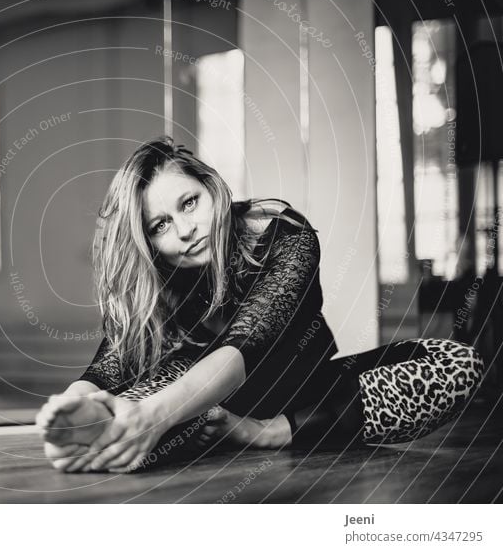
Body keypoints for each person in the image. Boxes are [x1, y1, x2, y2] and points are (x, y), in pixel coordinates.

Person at [35, 137, 485, 473]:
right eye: (161, 225)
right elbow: (111, 364)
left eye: (189, 203)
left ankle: (262, 433)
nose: (185, 230)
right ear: (149, 241)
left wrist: (157, 416)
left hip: (307, 394)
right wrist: (75, 406)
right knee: (148, 395)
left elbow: (246, 343)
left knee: (456, 362)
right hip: (201, 401)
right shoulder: (162, 278)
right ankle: (124, 430)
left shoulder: (287, 238)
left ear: (212, 188)